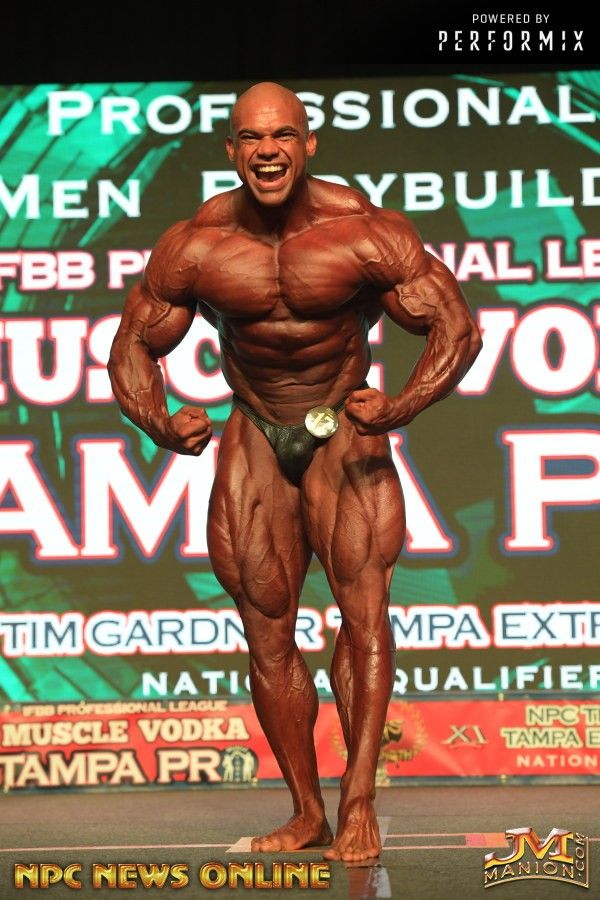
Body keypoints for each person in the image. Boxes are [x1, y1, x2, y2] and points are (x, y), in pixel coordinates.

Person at [108, 81, 481, 862]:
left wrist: (403, 406)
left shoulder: (363, 230)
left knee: (364, 614)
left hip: (343, 423)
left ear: (308, 144)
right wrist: (158, 422)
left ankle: (359, 802)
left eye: (282, 135)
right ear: (232, 151)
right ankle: (307, 812)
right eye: (251, 138)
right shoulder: (198, 243)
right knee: (266, 627)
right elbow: (134, 342)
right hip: (254, 427)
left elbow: (455, 326)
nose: (268, 150)